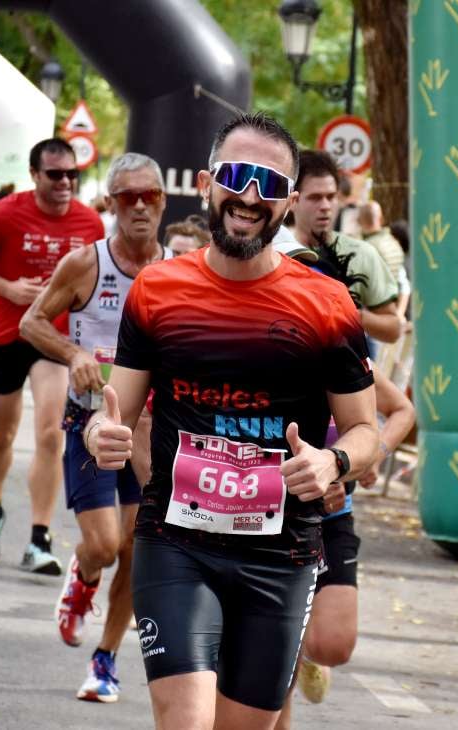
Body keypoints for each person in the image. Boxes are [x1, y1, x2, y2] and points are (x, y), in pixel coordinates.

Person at [85, 112, 380, 730]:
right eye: (238, 176)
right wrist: (101, 436)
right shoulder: (156, 291)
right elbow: (117, 412)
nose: (250, 197)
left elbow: (367, 432)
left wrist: (333, 460)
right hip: (177, 543)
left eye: (269, 185)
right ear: (206, 182)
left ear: (289, 203)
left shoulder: (326, 304)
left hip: (282, 555)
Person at [19, 152, 173, 703]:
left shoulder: (181, 267)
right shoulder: (86, 264)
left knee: (138, 544)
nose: (138, 206)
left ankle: (105, 658)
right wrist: (74, 350)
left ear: (162, 202)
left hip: (151, 426)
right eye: (126, 196)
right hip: (90, 419)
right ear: (109, 203)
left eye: (148, 196)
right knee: (106, 545)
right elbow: (31, 321)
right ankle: (84, 577)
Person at [274, 244, 417, 729]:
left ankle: (309, 649)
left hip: (329, 519)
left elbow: (401, 413)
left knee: (331, 644)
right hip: (258, 522)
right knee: (272, 660)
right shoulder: (252, 352)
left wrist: (354, 466)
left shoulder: (346, 356)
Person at [0, 137, 104, 574]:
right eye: (55, 175)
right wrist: (6, 288)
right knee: (2, 435)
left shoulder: (90, 222)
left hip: (54, 340)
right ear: (35, 175)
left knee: (50, 434)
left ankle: (39, 538)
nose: (65, 182)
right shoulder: (6, 212)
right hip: (6, 334)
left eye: (71, 174)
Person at [287, 150, 402, 344]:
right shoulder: (273, 252)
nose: (325, 206)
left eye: (331, 197)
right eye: (315, 197)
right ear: (293, 200)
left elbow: (393, 329)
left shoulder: (360, 254)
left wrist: (352, 315)